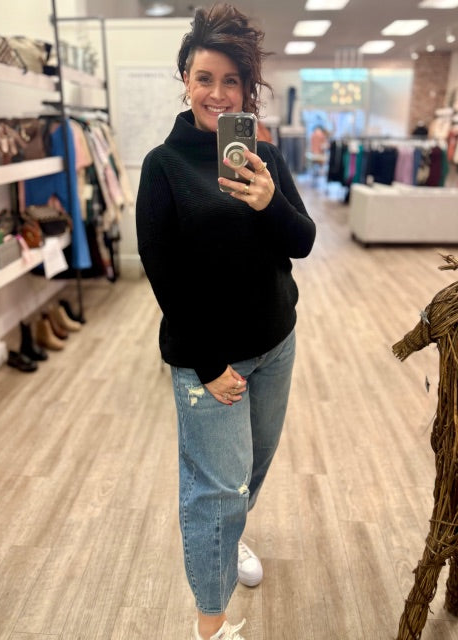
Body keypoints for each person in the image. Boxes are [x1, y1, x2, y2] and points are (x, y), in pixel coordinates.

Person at [136, 4, 316, 639]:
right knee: (214, 492)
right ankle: (210, 626)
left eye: (231, 81)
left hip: (276, 343)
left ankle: (234, 535)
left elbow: (302, 241)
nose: (217, 93)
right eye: (204, 78)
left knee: (252, 470)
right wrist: (209, 364)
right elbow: (164, 277)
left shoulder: (263, 154)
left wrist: (270, 202)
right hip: (209, 359)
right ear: (185, 80)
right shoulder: (163, 166)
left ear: (246, 89)